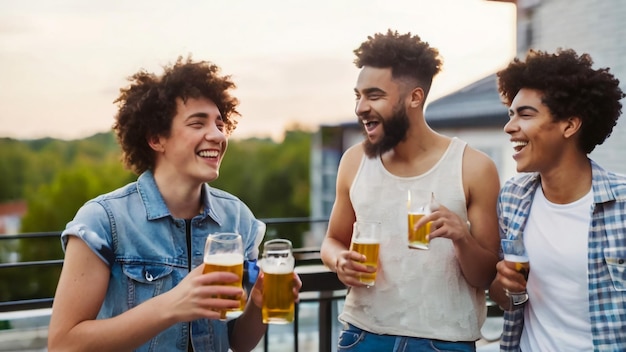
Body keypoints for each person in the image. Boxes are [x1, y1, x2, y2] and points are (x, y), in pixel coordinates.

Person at [47, 56, 301, 352]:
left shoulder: (238, 218)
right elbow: (63, 344)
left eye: (220, 124)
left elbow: (237, 342)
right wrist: (173, 304)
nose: (217, 135)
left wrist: (258, 305)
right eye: (198, 123)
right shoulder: (103, 220)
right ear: (156, 138)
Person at [320, 30, 501, 351]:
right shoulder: (353, 161)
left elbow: (485, 276)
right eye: (357, 96)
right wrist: (339, 261)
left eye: (373, 95)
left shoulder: (474, 167)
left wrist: (461, 235)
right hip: (362, 335)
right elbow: (332, 240)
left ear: (414, 97)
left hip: (445, 342)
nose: (361, 107)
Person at [488, 48, 626, 351]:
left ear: (569, 125)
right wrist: (505, 285)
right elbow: (507, 301)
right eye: (511, 115)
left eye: (525, 114)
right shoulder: (513, 197)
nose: (510, 127)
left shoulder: (623, 206)